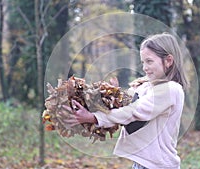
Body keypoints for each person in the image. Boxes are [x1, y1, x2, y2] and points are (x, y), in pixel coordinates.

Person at [63, 33, 189, 169]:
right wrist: (113, 97)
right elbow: (125, 105)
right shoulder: (145, 86)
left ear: (168, 61)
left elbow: (134, 111)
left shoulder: (171, 89)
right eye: (143, 62)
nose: (144, 67)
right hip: (143, 163)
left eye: (149, 61)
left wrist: (94, 117)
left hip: (159, 165)